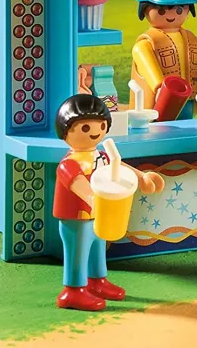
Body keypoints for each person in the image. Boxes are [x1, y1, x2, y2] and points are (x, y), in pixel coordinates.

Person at [54, 94, 165, 311]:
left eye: (102, 125)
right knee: (78, 252)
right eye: (85, 128)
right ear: (66, 131)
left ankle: (97, 281)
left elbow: (119, 166)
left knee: (97, 248)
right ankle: (72, 291)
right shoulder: (69, 163)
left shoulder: (102, 156)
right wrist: (93, 198)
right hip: (76, 219)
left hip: (98, 215)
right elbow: (78, 184)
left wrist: (141, 177)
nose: (95, 132)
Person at [131, 0, 197, 120]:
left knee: (186, 126)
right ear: (144, 9)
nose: (171, 15)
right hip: (158, 103)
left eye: (179, 10)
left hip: (187, 99)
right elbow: (147, 66)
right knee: (159, 128)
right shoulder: (146, 44)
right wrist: (159, 87)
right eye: (161, 11)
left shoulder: (190, 40)